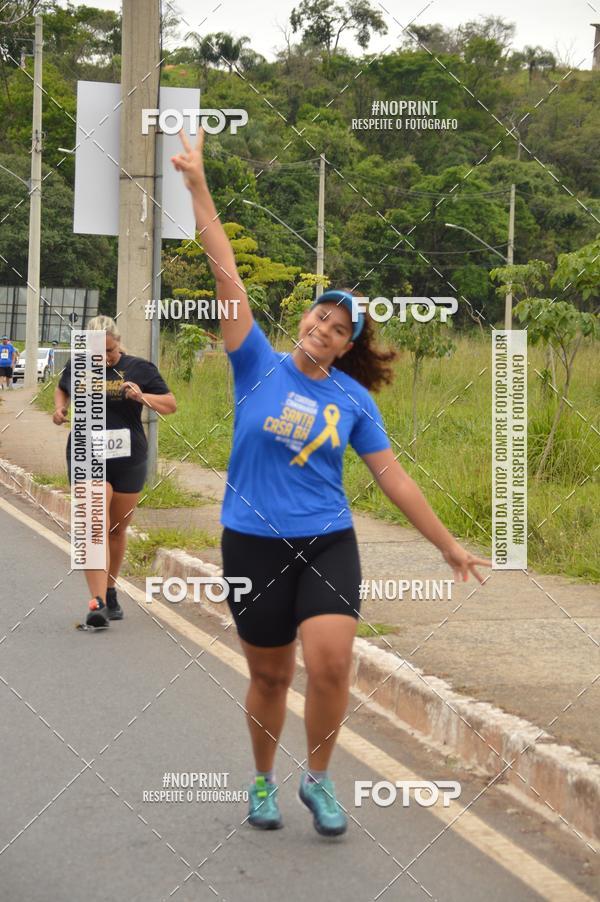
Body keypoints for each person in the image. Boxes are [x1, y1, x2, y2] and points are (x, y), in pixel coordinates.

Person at [171, 130, 491, 837]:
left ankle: (317, 778)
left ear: (348, 346)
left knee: (331, 664)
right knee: (270, 677)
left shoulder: (354, 401)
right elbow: (226, 272)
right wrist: (197, 183)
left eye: (341, 327)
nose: (325, 326)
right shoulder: (254, 362)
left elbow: (394, 478)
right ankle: (263, 781)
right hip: (251, 543)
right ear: (305, 319)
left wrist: (448, 546)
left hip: (326, 541)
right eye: (321, 314)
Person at [53, 315, 177, 627]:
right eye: (97, 352)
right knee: (94, 525)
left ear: (118, 343)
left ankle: (110, 591)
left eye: (109, 350)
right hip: (86, 453)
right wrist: (60, 408)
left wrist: (141, 396)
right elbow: (62, 388)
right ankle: (96, 603)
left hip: (128, 456)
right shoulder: (78, 366)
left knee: (116, 530)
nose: (104, 358)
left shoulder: (140, 368)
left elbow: (170, 404)